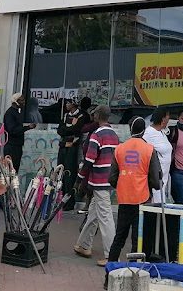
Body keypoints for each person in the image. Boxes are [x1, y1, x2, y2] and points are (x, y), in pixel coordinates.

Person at [108, 117, 162, 263]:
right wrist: (154, 186)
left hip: (124, 198)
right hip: (141, 199)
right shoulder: (149, 149)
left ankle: (110, 270)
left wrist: (123, 185)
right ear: (144, 131)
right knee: (137, 240)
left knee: (119, 237)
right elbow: (155, 181)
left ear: (130, 129)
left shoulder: (119, 148)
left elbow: (112, 178)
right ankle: (134, 271)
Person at [74, 105, 119, 267]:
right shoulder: (114, 134)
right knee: (93, 213)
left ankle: (111, 255)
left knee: (105, 218)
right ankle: (83, 245)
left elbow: (89, 160)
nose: (92, 116)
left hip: (99, 180)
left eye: (94, 114)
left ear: (97, 116)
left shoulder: (96, 135)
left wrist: (79, 179)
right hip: (109, 180)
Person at [57, 96, 91, 209]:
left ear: (74, 104)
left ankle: (69, 202)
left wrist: (68, 130)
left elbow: (77, 130)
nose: (66, 105)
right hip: (63, 147)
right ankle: (60, 200)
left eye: (69, 103)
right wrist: (69, 129)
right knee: (61, 172)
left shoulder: (81, 116)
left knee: (70, 174)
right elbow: (60, 130)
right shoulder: (66, 115)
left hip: (73, 148)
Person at [143, 108, 172, 204]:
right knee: (157, 205)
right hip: (155, 179)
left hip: (164, 179)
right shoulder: (149, 133)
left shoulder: (162, 132)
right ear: (163, 119)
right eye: (168, 117)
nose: (169, 120)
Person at [2, 92, 33, 172]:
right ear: (16, 101)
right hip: (12, 147)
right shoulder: (10, 113)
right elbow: (12, 130)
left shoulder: (16, 112)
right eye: (21, 100)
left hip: (17, 146)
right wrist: (27, 127)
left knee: (15, 170)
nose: (24, 102)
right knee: (10, 171)